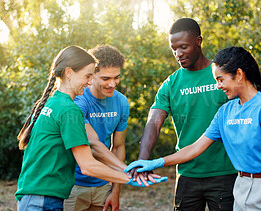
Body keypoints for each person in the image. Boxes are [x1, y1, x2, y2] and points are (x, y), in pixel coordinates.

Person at [125, 47, 261, 211]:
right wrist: (157, 162)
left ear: (239, 75)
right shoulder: (225, 112)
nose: (218, 86)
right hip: (241, 186)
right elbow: (195, 148)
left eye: (221, 79)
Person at [15, 45, 167, 211]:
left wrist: (126, 172)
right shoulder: (69, 109)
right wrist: (130, 178)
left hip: (37, 196)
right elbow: (87, 165)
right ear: (69, 73)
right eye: (87, 76)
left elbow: (97, 148)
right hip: (42, 199)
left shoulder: (54, 102)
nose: (89, 81)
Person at [130, 18, 237, 211]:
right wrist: (143, 160)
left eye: (183, 47)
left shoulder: (222, 75)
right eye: (173, 49)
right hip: (188, 173)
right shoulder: (171, 84)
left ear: (198, 41)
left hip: (224, 172)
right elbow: (154, 122)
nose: (178, 54)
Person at [64, 44, 129, 211]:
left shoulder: (121, 102)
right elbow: (92, 145)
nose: (113, 84)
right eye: (106, 79)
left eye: (116, 77)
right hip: (74, 184)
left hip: (103, 184)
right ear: (91, 76)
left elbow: (118, 147)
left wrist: (115, 190)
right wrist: (129, 174)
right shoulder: (79, 100)